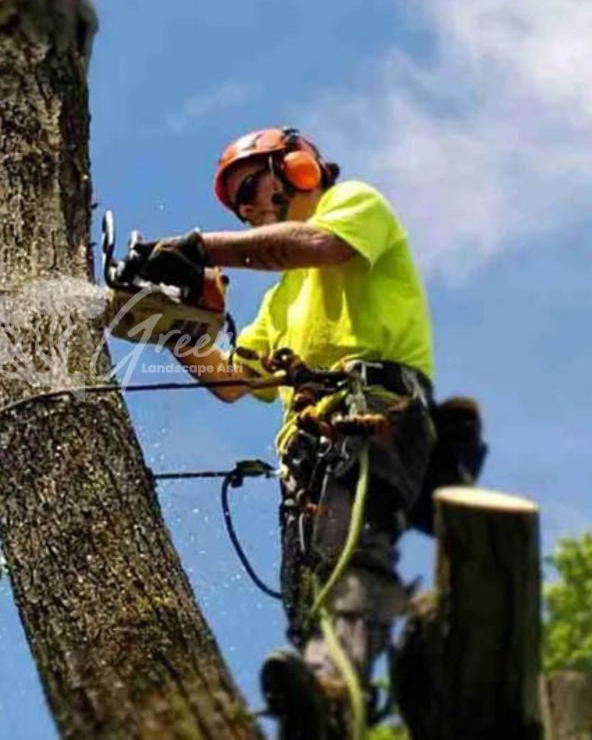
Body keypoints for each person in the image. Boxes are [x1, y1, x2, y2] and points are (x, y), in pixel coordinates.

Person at [137, 127, 436, 739]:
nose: (247, 209)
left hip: (374, 411)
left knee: (352, 551)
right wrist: (173, 321)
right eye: (237, 205)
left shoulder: (353, 206)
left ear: (298, 168)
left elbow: (311, 246)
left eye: (250, 187)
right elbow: (231, 383)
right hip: (307, 454)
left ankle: (337, 687)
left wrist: (198, 247)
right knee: (306, 593)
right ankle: (322, 710)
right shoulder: (280, 302)